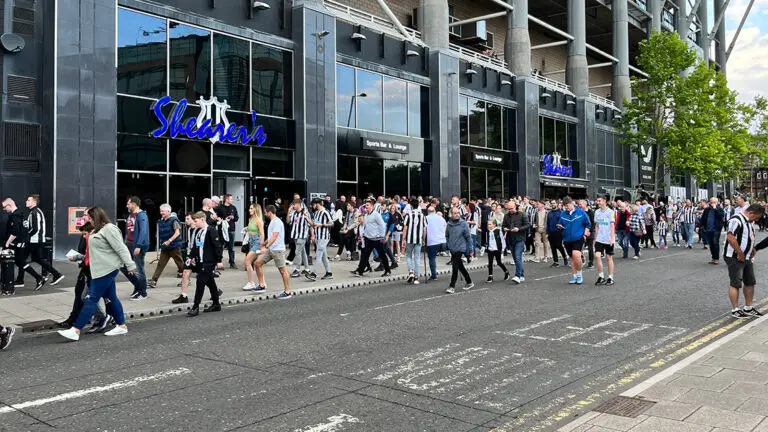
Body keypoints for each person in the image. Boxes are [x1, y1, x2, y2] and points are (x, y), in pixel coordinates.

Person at [57, 207, 133, 341]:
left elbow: (121, 248)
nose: (87, 219)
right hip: (97, 270)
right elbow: (94, 252)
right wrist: (78, 258)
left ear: (97, 217)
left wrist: (130, 265)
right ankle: (121, 326)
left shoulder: (109, 229)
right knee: (111, 298)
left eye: (90, 217)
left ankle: (76, 330)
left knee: (91, 298)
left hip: (106, 269)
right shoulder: (95, 230)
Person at [59, 218, 112, 332]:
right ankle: (102, 318)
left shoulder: (95, 241)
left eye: (84, 234)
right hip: (89, 273)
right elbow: (88, 258)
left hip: (97, 274)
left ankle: (80, 326)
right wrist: (78, 258)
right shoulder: (89, 240)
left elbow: (95, 258)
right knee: (87, 297)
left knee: (93, 298)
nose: (83, 237)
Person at [726, 204, 765, 318]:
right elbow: (730, 237)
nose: (757, 220)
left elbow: (747, 237)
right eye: (757, 217)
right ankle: (735, 309)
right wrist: (739, 253)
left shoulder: (749, 221)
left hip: (746, 256)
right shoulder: (736, 219)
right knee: (736, 283)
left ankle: (748, 307)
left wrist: (752, 249)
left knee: (750, 282)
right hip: (734, 256)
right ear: (751, 213)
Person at [2, 198, 45, 292]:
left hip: (17, 243)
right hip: (20, 242)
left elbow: (15, 231)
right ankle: (32, 278)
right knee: (20, 262)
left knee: (20, 262)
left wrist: (7, 243)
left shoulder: (16, 215)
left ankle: (38, 278)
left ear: (9, 205)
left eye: (5, 207)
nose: (4, 209)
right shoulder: (19, 214)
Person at [186, 212, 223, 317]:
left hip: (209, 262)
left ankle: (195, 307)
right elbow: (197, 246)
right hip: (200, 262)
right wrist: (190, 257)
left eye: (196, 221)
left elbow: (217, 246)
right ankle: (216, 304)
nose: (195, 223)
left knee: (200, 282)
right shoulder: (198, 231)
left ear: (202, 219)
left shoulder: (211, 230)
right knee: (210, 282)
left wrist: (219, 260)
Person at [23, 194, 65, 286]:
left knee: (20, 260)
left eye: (28, 200)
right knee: (38, 259)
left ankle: (37, 278)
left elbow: (35, 228)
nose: (26, 201)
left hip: (34, 241)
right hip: (38, 240)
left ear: (34, 202)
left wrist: (26, 237)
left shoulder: (34, 212)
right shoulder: (36, 212)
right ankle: (56, 274)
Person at [254, 205, 293, 299]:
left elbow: (275, 236)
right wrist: (263, 244)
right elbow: (271, 236)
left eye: (265, 212)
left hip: (278, 250)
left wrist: (266, 247)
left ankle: (288, 291)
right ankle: (262, 285)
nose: (264, 213)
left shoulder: (277, 222)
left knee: (283, 271)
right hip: (271, 249)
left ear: (269, 212)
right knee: (257, 263)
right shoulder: (272, 222)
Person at [351, 200, 391, 277]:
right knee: (365, 256)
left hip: (377, 239)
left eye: (368, 205)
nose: (366, 207)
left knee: (382, 255)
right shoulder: (366, 215)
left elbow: (382, 225)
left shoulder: (376, 215)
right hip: (368, 239)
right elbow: (366, 226)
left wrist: (382, 236)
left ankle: (387, 270)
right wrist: (363, 235)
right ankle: (360, 271)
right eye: (366, 205)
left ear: (372, 206)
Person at [148, 204, 184, 289]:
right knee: (161, 264)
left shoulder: (174, 220)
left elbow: (177, 233)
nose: (161, 213)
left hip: (174, 246)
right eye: (160, 211)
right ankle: (154, 281)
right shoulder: (162, 220)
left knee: (180, 264)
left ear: (168, 211)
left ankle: (186, 279)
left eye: (162, 211)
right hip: (165, 247)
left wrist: (169, 241)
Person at [557, 197, 591, 285]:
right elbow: (560, 224)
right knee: (572, 258)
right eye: (564, 206)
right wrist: (560, 227)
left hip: (578, 237)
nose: (566, 208)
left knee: (576, 255)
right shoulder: (563, 214)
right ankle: (574, 276)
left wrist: (585, 233)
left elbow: (588, 224)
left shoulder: (581, 212)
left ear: (572, 203)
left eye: (567, 205)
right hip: (567, 238)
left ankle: (579, 274)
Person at [123, 196, 149, 300]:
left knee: (139, 269)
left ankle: (143, 292)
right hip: (129, 244)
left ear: (134, 204)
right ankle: (137, 287)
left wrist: (138, 246)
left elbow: (143, 231)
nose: (127, 206)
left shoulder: (141, 215)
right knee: (125, 266)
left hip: (138, 246)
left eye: (129, 204)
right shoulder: (130, 215)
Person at [445, 207, 474, 294]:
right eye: (455, 213)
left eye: (458, 213)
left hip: (460, 248)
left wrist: (471, 249)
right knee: (460, 266)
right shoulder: (449, 224)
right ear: (451, 214)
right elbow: (447, 235)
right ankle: (469, 282)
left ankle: (452, 286)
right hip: (452, 248)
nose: (457, 214)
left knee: (455, 267)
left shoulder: (463, 224)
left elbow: (468, 238)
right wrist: (449, 244)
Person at [172, 213, 198, 304]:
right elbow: (190, 243)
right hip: (191, 256)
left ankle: (216, 291)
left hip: (198, 256)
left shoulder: (199, 230)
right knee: (185, 273)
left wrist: (194, 255)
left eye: (188, 219)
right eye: (185, 219)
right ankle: (183, 295)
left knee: (205, 277)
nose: (186, 221)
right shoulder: (190, 229)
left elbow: (199, 244)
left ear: (193, 219)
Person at [503, 202, 530, 284]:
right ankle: (521, 275)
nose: (510, 210)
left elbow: (528, 225)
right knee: (515, 258)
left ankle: (517, 276)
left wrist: (519, 229)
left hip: (520, 239)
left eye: (512, 208)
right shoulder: (506, 216)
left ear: (515, 207)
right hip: (510, 239)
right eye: (509, 209)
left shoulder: (522, 214)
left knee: (518, 257)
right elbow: (503, 225)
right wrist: (504, 228)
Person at [241, 203, 266, 292]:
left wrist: (261, 246)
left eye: (251, 208)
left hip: (257, 242)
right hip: (251, 241)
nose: (249, 210)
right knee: (257, 263)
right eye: (250, 208)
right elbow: (251, 228)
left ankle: (251, 283)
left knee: (247, 261)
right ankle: (262, 282)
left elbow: (262, 233)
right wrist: (246, 228)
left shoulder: (259, 220)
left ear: (256, 209)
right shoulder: (251, 219)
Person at [308, 198, 333, 281]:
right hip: (319, 237)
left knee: (318, 255)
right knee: (323, 256)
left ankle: (314, 274)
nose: (312, 206)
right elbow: (314, 224)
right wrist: (307, 218)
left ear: (317, 204)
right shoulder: (316, 213)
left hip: (324, 236)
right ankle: (329, 273)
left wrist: (322, 225)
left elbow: (331, 223)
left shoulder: (325, 212)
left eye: (313, 205)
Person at [593, 195, 615, 286]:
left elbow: (612, 226)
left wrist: (612, 238)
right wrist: (595, 238)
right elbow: (597, 226)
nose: (597, 202)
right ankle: (601, 276)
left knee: (609, 258)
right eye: (597, 201)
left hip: (608, 238)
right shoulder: (597, 212)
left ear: (604, 201)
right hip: (599, 238)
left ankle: (610, 277)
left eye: (599, 201)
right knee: (597, 256)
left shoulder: (611, 212)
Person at [402, 198, 426, 285]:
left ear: (411, 206)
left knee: (408, 256)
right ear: (418, 205)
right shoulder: (422, 215)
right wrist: (423, 239)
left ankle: (410, 272)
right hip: (418, 239)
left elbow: (405, 228)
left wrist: (403, 239)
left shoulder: (408, 215)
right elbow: (424, 229)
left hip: (410, 239)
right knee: (417, 257)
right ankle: (416, 277)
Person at [288, 199, 311, 278]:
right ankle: (307, 268)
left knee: (297, 251)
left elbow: (310, 223)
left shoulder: (305, 212)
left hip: (302, 235)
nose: (293, 206)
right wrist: (289, 212)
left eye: (294, 204)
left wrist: (312, 235)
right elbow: (288, 221)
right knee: (302, 252)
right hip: (295, 235)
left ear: (298, 204)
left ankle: (297, 269)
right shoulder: (293, 213)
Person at [217, 194, 239, 269]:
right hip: (222, 230)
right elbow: (217, 218)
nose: (232, 200)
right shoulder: (220, 208)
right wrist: (224, 219)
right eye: (231, 199)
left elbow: (237, 218)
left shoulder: (233, 208)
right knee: (221, 246)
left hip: (231, 229)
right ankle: (219, 262)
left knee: (231, 247)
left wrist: (232, 217)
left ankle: (232, 262)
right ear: (226, 199)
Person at [701, 197, 725, 265]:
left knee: (715, 242)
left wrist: (715, 209)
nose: (712, 204)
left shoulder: (719, 209)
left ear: (717, 203)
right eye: (711, 202)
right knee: (711, 244)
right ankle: (713, 257)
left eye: (714, 202)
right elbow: (703, 218)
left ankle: (716, 258)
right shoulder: (707, 210)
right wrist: (700, 226)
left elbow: (721, 215)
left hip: (716, 229)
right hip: (708, 229)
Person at [425, 206, 447, 281]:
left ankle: (434, 275)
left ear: (428, 211)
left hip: (432, 242)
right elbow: (445, 227)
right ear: (434, 211)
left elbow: (424, 230)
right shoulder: (441, 218)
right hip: (442, 241)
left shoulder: (426, 218)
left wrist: (423, 239)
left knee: (432, 258)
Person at [486, 219, 509, 283]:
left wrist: (503, 250)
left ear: (494, 225)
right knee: (490, 263)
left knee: (499, 262)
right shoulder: (487, 232)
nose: (488, 225)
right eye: (488, 224)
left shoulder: (498, 231)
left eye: (490, 224)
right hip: (490, 249)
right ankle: (490, 276)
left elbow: (502, 240)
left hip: (497, 249)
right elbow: (487, 239)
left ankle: (506, 271)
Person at [546, 201, 568, 267]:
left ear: (557, 204)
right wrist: (547, 232)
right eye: (551, 203)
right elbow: (548, 223)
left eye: (554, 203)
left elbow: (563, 222)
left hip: (558, 232)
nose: (552, 204)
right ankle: (556, 262)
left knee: (559, 246)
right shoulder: (549, 213)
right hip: (551, 232)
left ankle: (565, 257)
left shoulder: (561, 213)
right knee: (552, 247)